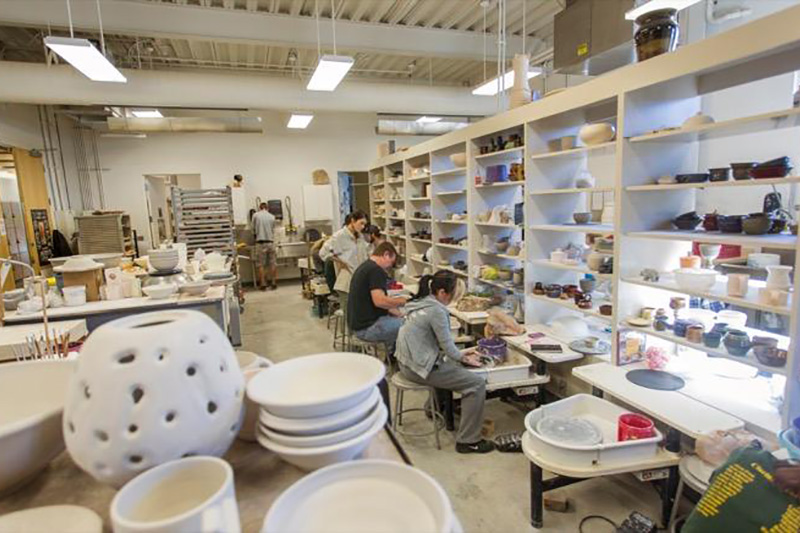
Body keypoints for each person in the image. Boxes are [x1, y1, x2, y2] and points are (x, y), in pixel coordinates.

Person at [395, 270, 495, 454]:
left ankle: (434, 407)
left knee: (452, 363)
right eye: (452, 297)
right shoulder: (436, 311)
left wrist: (463, 353)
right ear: (442, 293)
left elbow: (441, 347)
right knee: (476, 384)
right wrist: (466, 358)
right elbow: (448, 348)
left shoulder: (420, 301)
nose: (453, 302)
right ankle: (468, 440)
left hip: (406, 361)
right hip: (417, 367)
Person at [347, 241, 407, 346]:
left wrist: (400, 314)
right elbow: (380, 302)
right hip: (367, 328)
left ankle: (392, 354)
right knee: (412, 325)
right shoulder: (376, 270)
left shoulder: (366, 266)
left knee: (401, 319)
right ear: (386, 255)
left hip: (358, 325)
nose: (389, 267)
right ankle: (408, 360)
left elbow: (382, 303)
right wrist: (404, 301)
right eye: (391, 263)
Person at [252, 202, 277, 290]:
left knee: (261, 264)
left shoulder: (255, 215)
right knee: (273, 263)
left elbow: (253, 229)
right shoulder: (272, 216)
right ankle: (274, 282)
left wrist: (256, 235)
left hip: (260, 243)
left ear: (260, 208)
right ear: (267, 208)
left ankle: (263, 284)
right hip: (270, 242)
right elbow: (273, 229)